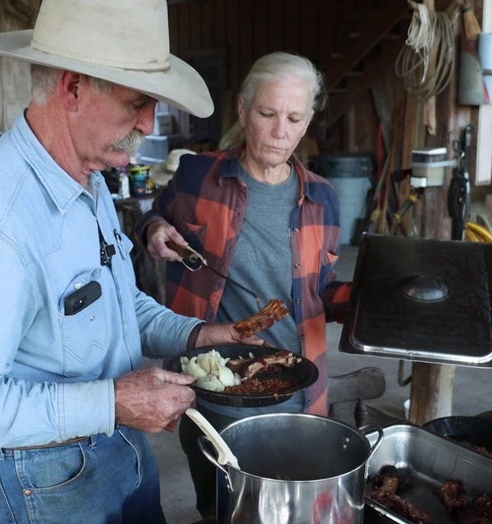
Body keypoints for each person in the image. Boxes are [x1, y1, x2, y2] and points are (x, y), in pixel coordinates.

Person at [0, 1, 262, 522]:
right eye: (138, 101)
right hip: (45, 477)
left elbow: (118, 306)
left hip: (118, 440)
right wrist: (114, 404)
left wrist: (201, 337)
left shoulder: (89, 180)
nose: (149, 121)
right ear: (74, 88)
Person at [135, 51, 354, 519]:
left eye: (294, 118)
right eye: (267, 113)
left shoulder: (323, 198)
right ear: (242, 109)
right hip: (214, 384)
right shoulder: (198, 175)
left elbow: (323, 290)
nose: (280, 132)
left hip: (295, 386)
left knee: (285, 509)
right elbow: (157, 214)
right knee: (219, 506)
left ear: (308, 120)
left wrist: (368, 305)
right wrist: (154, 230)